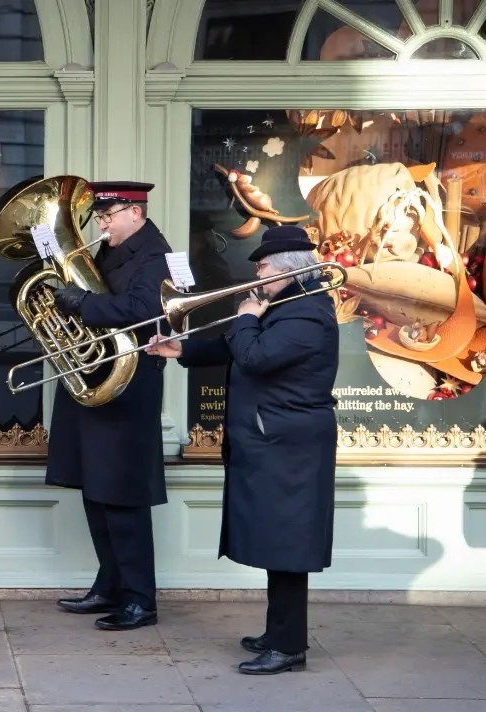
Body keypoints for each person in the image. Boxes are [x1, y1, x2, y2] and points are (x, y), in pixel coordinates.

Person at [145, 225, 340, 675]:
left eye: (263, 265)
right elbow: (239, 347)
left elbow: (255, 354)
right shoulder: (287, 306)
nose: (256, 273)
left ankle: (289, 646)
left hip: (288, 445)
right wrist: (181, 350)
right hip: (274, 440)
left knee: (288, 546)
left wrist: (248, 316)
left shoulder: (308, 314)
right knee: (277, 541)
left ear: (289, 269)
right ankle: (278, 633)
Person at [45, 181, 173, 631]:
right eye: (99, 216)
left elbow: (143, 308)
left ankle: (140, 598)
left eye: (109, 214)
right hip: (95, 380)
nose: (101, 223)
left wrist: (85, 304)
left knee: (123, 495)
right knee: (97, 491)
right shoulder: (108, 251)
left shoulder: (156, 255)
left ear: (135, 213)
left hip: (128, 387)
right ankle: (109, 584)